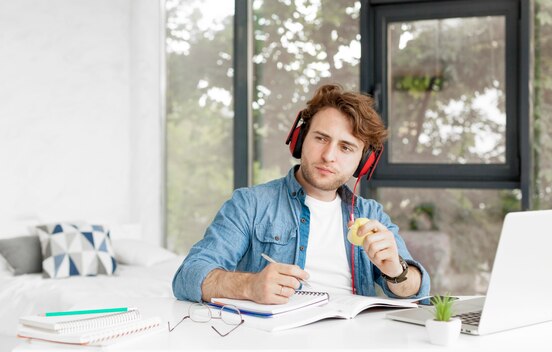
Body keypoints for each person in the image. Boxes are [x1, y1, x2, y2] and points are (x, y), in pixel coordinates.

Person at [172, 84, 430, 304]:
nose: (329, 156)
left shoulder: (371, 214)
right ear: (300, 139)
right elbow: (188, 276)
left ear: (363, 163)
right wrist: (248, 286)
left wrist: (397, 270)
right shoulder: (249, 204)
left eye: (346, 147)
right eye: (320, 138)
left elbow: (417, 293)